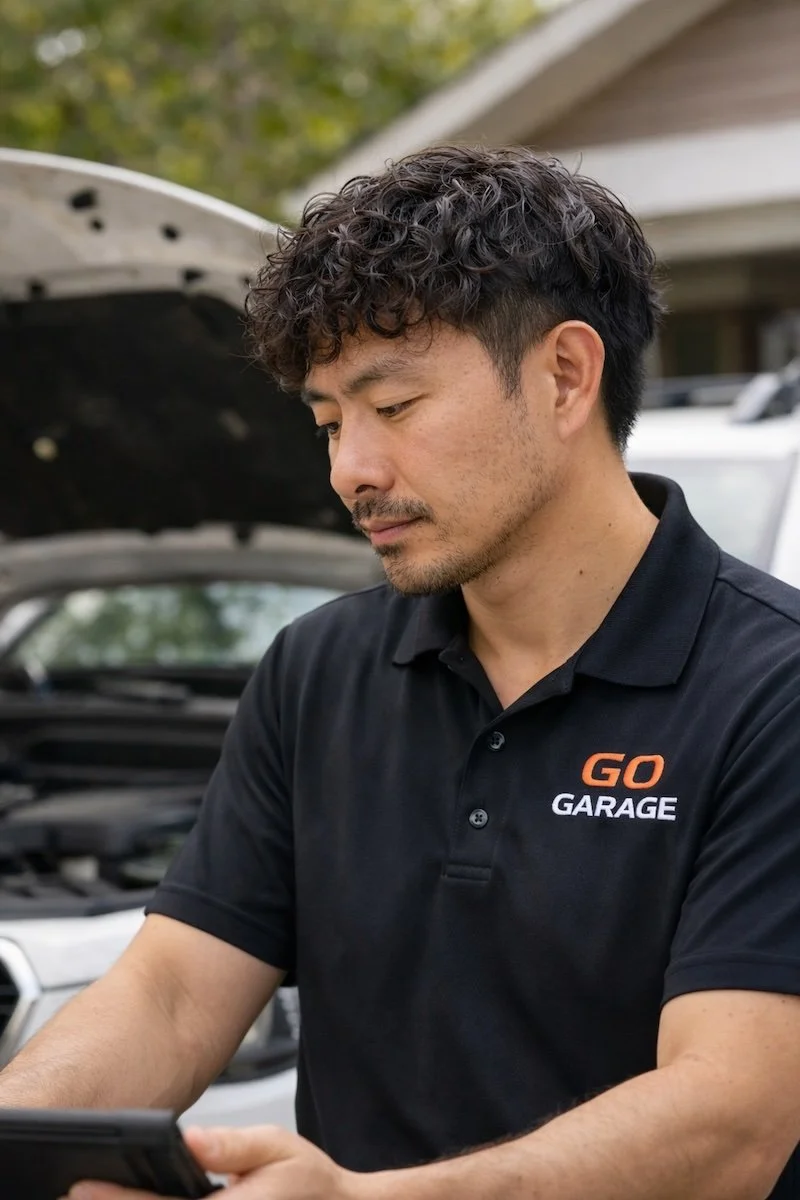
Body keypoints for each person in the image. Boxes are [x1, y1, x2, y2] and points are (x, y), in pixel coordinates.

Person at [3, 144, 800, 1200]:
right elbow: (175, 992)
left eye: (393, 407)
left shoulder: (773, 691)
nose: (350, 471)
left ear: (565, 376)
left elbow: (732, 1119)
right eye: (328, 423)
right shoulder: (317, 670)